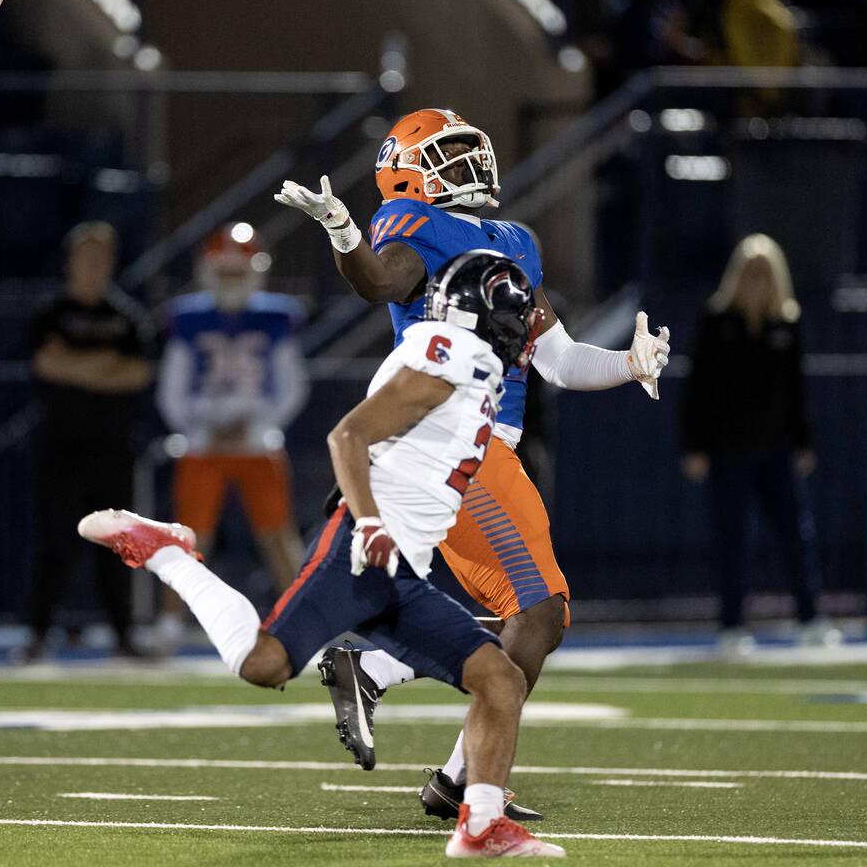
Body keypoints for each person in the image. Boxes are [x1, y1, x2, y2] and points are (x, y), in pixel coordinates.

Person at [80, 251, 565, 859]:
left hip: (400, 568)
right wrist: (367, 523)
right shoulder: (453, 351)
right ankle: (169, 553)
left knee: (499, 681)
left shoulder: (473, 363)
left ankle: (479, 827)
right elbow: (349, 434)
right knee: (263, 665)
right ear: (492, 315)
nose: (529, 328)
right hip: (364, 552)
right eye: (522, 316)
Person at [274, 107, 670, 819]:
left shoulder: (514, 239)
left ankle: (412, 716)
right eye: (443, 154)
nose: (464, 166)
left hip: (498, 445)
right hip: (461, 441)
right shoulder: (407, 221)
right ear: (405, 170)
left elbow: (560, 359)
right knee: (540, 613)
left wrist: (628, 362)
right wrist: (341, 228)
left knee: (537, 620)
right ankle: (462, 782)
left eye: (466, 151)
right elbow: (381, 283)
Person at [154, 224, 309, 653]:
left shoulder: (277, 317)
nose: (231, 282)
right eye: (224, 273)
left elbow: (293, 386)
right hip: (204, 445)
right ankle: (169, 624)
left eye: (238, 273)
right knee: (188, 537)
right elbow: (172, 390)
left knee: (278, 535)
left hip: (258, 441)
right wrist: (202, 428)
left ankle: (302, 620)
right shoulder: (187, 320)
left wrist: (256, 425)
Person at [680, 233, 836, 653]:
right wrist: (694, 446)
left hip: (776, 449)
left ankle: (810, 618)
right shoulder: (716, 320)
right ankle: (732, 626)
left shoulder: (787, 322)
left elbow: (796, 389)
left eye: (764, 273)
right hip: (727, 450)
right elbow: (698, 388)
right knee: (731, 537)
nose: (756, 280)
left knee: (795, 535)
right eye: (750, 272)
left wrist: (803, 442)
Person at [21, 221, 152, 662]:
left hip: (111, 450)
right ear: (70, 260)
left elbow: (136, 373)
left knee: (118, 548)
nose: (93, 265)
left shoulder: (127, 316)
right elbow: (45, 364)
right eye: (86, 256)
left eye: (101, 257)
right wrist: (104, 367)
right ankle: (37, 636)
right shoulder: (50, 312)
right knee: (54, 545)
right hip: (59, 448)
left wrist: (74, 364)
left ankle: (123, 637)